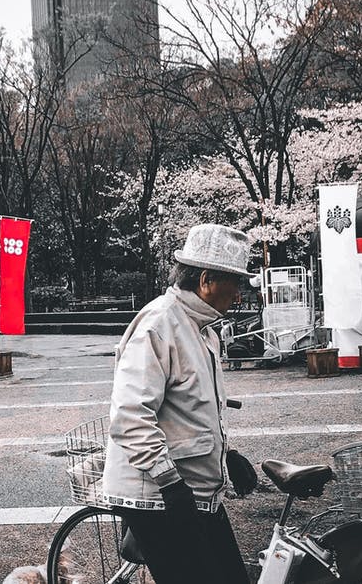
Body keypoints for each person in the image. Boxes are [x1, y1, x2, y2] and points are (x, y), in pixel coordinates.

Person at [101, 223, 256, 584]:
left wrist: (226, 454)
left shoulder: (202, 329)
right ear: (205, 280)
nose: (238, 296)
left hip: (194, 494)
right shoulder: (160, 325)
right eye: (235, 283)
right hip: (161, 497)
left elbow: (194, 409)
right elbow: (130, 414)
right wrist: (170, 483)